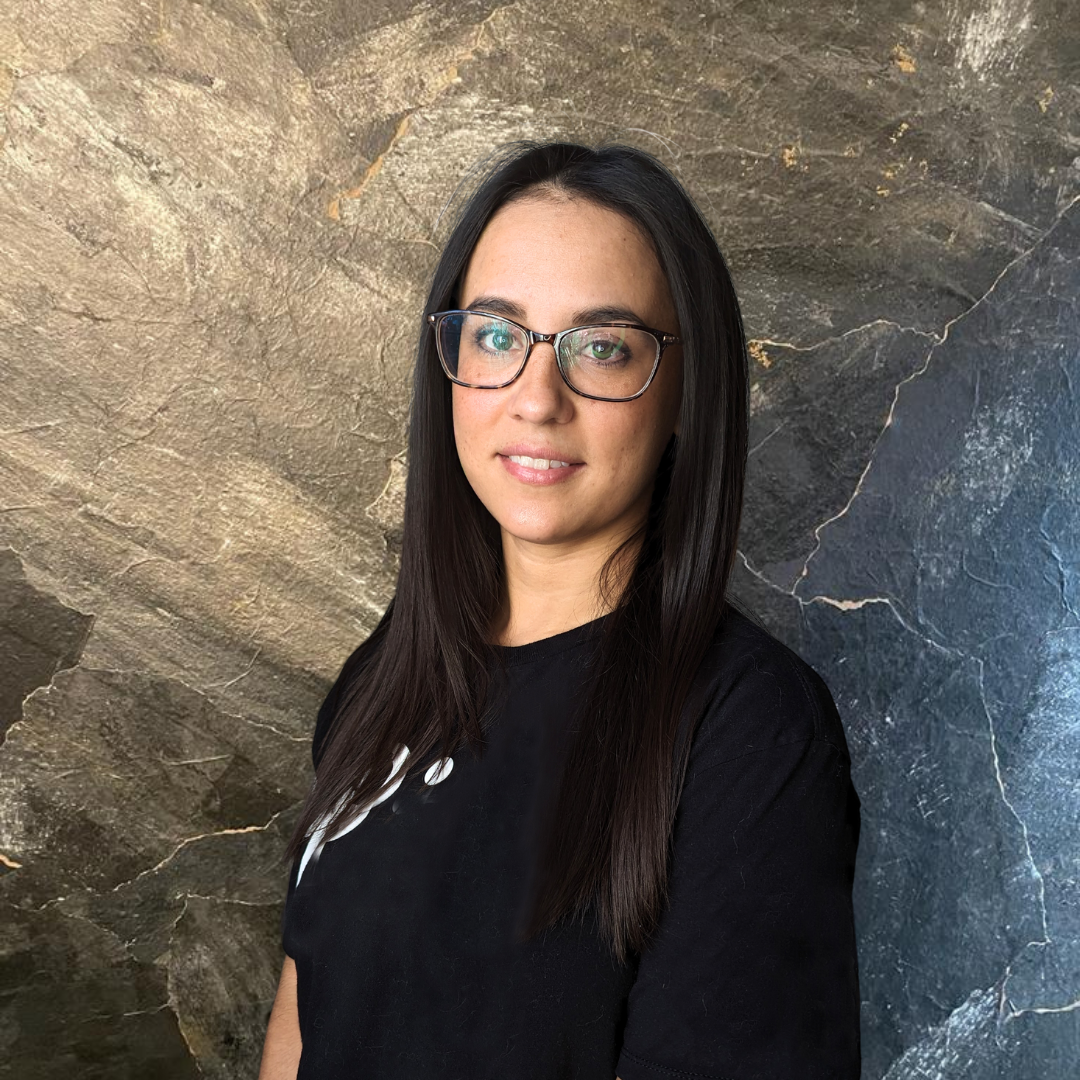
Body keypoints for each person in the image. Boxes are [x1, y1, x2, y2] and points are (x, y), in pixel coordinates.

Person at [257, 140, 862, 1080]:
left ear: (683, 391)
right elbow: (305, 1026)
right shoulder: (383, 683)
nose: (537, 399)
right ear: (449, 363)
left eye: (603, 348)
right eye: (497, 335)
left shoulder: (753, 734)